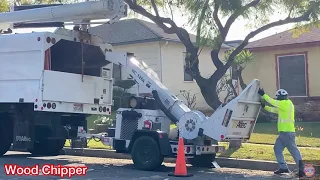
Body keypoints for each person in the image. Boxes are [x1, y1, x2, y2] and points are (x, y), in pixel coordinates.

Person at [258, 88, 305, 177]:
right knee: (277, 149)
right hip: (284, 133)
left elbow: (272, 102)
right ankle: (283, 167)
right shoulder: (285, 105)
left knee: (294, 151)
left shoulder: (285, 103)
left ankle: (302, 170)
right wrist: (264, 107)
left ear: (280, 97)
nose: (277, 99)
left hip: (287, 133)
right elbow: (274, 110)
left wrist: (263, 94)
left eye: (278, 98)